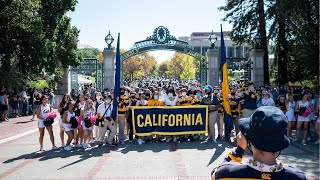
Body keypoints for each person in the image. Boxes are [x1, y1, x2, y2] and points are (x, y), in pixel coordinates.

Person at [211, 106, 307, 180]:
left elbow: (215, 172)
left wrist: (239, 151)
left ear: (247, 138)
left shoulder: (226, 174)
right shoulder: (298, 177)